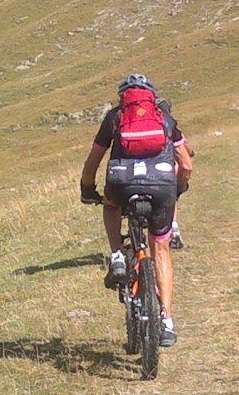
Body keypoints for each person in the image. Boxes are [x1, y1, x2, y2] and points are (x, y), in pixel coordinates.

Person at [80, 74, 193, 346]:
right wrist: (177, 189)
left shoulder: (115, 117)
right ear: (151, 96)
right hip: (161, 185)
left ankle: (118, 255)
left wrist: (86, 188)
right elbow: (186, 164)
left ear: (123, 97)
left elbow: (94, 159)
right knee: (161, 249)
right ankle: (166, 319)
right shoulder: (164, 118)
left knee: (111, 204)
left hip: (122, 183)